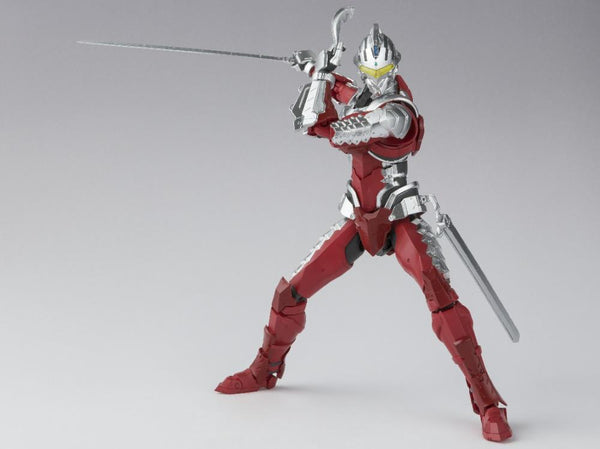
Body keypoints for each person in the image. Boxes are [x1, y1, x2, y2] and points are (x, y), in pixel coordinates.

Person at [215, 24, 512, 442]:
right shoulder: (365, 94)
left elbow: (330, 129)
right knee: (289, 295)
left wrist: (321, 78)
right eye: (369, 73)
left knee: (442, 301)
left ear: (395, 67)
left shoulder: (397, 114)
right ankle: (264, 371)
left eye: (383, 71)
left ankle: (488, 402)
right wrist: (316, 69)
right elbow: (344, 92)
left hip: (398, 216)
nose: (376, 80)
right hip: (358, 217)